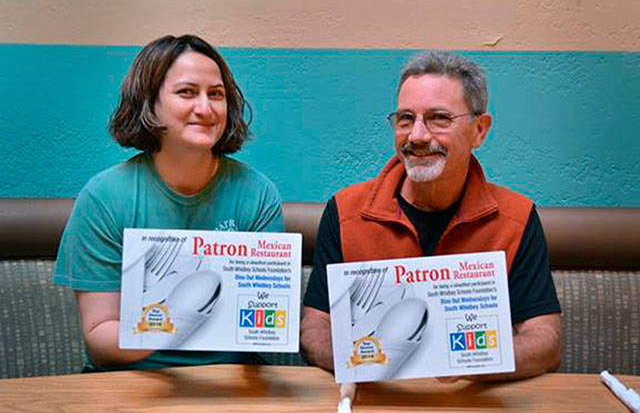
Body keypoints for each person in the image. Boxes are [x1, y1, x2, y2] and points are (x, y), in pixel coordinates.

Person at [301, 51, 562, 381]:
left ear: (479, 130)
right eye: (406, 119)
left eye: (439, 118)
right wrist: (363, 361)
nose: (417, 136)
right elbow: (313, 328)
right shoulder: (345, 211)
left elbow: (545, 340)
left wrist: (464, 361)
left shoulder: (517, 218)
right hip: (377, 401)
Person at [54, 34, 284, 371]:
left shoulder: (257, 194)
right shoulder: (103, 197)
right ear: (150, 103)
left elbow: (261, 320)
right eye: (186, 92)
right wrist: (171, 323)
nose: (205, 109)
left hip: (228, 382)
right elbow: (99, 335)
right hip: (127, 381)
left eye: (216, 95)